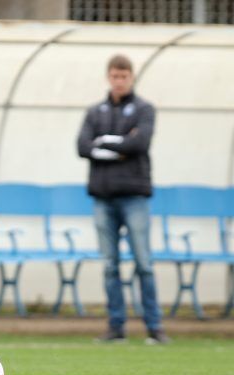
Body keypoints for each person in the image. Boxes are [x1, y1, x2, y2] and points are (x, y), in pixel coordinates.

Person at [77, 54, 169, 344]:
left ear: (131, 77)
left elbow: (140, 143)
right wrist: (119, 144)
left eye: (124, 76)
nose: (119, 81)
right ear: (109, 77)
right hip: (103, 198)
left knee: (144, 263)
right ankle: (116, 328)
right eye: (115, 76)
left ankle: (154, 328)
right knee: (110, 265)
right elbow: (82, 146)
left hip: (134, 197)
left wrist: (103, 142)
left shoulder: (144, 109)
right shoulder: (95, 112)